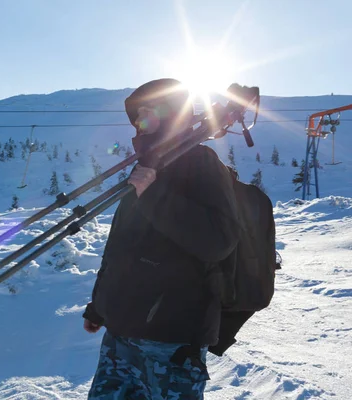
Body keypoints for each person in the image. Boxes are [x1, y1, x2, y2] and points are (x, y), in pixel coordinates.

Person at [82, 78, 240, 399]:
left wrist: (153, 194)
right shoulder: (146, 167)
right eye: (137, 116)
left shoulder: (202, 163)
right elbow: (119, 250)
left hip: (172, 341)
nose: (140, 123)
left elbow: (218, 241)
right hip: (120, 333)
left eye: (148, 113)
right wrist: (99, 307)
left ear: (170, 115)